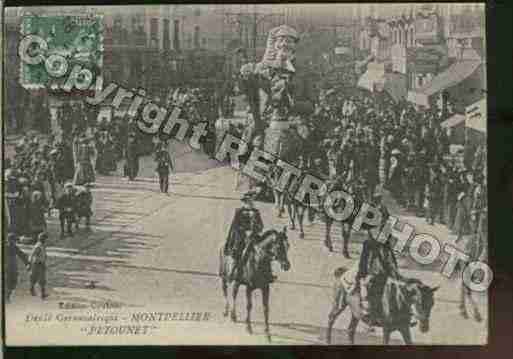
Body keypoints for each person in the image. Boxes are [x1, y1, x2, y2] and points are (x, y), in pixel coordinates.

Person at [224, 192, 265, 282]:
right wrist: (245, 231)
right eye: (248, 201)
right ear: (245, 202)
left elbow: (261, 225)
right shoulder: (239, 211)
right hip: (241, 236)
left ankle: (265, 273)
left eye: (252, 201)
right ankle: (232, 272)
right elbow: (235, 225)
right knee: (237, 252)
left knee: (263, 251)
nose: (251, 203)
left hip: (253, 236)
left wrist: (256, 230)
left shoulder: (256, 212)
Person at [5, 233, 29, 302]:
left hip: (12, 266)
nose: (13, 242)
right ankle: (6, 297)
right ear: (9, 240)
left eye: (14, 241)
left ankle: (7, 296)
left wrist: (27, 262)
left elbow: (22, 255)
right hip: (8, 267)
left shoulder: (14, 247)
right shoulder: (7, 247)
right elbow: (22, 255)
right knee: (10, 281)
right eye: (13, 240)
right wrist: (27, 263)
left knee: (13, 281)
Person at [28, 232, 48, 299]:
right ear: (42, 239)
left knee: (41, 279)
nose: (46, 240)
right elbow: (32, 255)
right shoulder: (38, 246)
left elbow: (43, 255)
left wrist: (44, 262)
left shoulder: (42, 245)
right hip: (37, 265)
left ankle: (42, 293)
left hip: (40, 264)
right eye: (45, 239)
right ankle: (33, 290)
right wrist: (29, 264)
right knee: (36, 278)